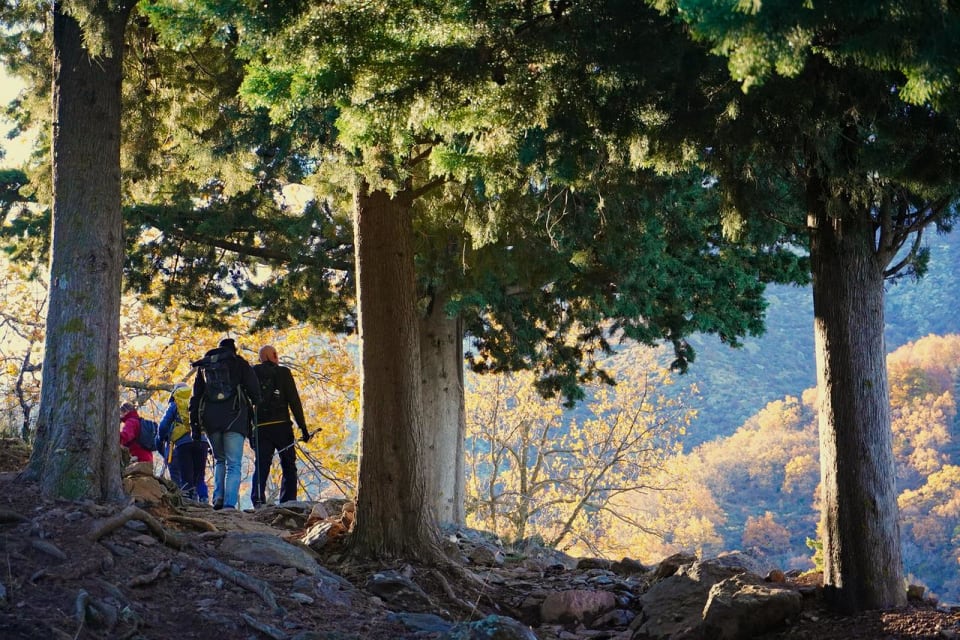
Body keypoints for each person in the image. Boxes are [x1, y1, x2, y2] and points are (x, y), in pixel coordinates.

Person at [189, 337, 261, 510]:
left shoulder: (205, 366)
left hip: (210, 420)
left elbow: (195, 397)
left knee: (220, 460)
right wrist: (256, 400)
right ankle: (229, 503)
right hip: (235, 418)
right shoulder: (239, 363)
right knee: (233, 463)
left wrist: (195, 427)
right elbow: (255, 391)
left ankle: (218, 499)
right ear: (233, 349)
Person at [251, 344, 311, 506]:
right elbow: (294, 401)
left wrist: (250, 430)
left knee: (261, 464)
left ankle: (257, 499)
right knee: (288, 464)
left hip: (261, 427)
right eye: (276, 354)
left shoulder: (252, 373)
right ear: (272, 356)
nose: (278, 357)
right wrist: (303, 428)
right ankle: (288, 500)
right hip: (282, 425)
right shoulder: (283, 373)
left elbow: (247, 403)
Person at [157, 383, 207, 501]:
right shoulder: (196, 402)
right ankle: (204, 498)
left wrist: (161, 438)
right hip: (202, 441)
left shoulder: (174, 405)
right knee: (200, 476)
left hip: (183, 443)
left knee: (186, 475)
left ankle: (187, 500)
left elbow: (163, 426)